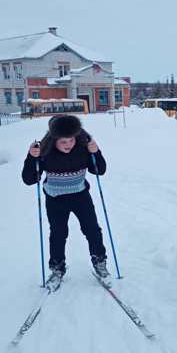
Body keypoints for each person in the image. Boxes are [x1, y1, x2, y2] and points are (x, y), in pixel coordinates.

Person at [22, 114, 109, 284]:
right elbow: (29, 179)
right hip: (55, 199)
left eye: (71, 140)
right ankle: (57, 269)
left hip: (80, 196)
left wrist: (96, 152)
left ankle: (100, 263)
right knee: (58, 233)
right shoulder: (45, 151)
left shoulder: (83, 147)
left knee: (92, 229)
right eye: (63, 142)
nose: (68, 145)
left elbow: (100, 170)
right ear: (54, 139)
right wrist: (31, 157)